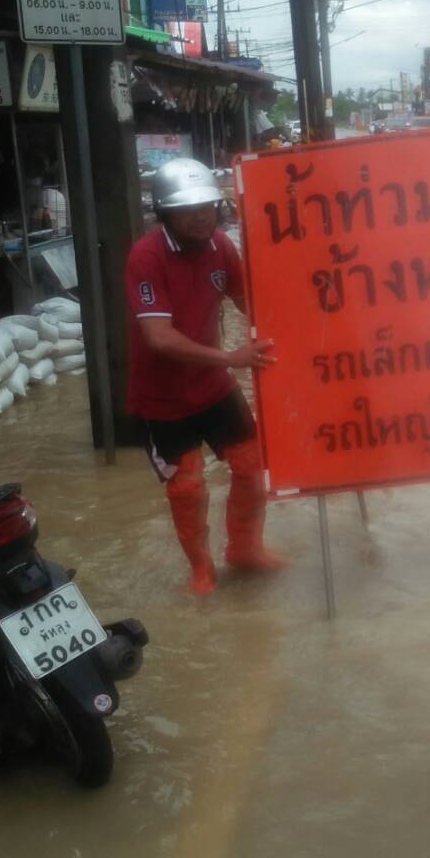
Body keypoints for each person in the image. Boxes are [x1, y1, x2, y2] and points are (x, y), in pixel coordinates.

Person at [124, 157, 286, 595]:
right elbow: (158, 337)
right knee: (189, 486)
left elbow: (245, 300)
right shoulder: (146, 256)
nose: (202, 215)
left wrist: (297, 332)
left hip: (214, 388)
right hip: (164, 400)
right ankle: (201, 568)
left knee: (253, 466)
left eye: (208, 205)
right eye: (189, 207)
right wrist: (231, 357)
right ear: (165, 212)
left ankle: (245, 549)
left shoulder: (220, 247)